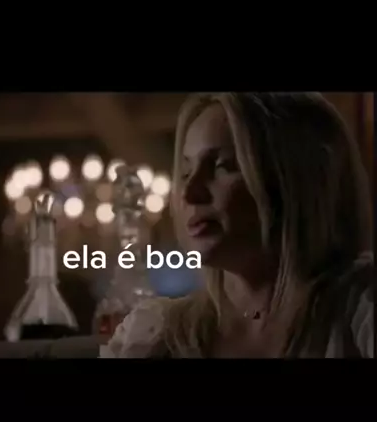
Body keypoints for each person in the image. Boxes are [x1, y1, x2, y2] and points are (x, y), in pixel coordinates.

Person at [100, 92, 374, 358]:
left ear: (296, 180)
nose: (190, 192)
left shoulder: (360, 310)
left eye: (223, 166)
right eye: (185, 172)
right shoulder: (157, 336)